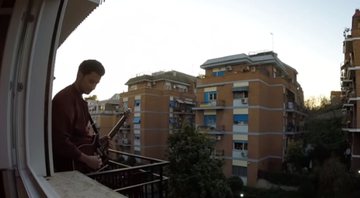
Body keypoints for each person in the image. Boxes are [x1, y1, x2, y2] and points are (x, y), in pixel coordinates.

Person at [52, 59, 106, 173]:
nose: (93, 87)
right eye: (91, 81)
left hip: (75, 168)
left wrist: (100, 141)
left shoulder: (80, 100)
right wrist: (87, 159)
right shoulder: (64, 100)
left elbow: (79, 137)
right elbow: (59, 140)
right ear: (80, 75)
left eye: (96, 83)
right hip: (66, 170)